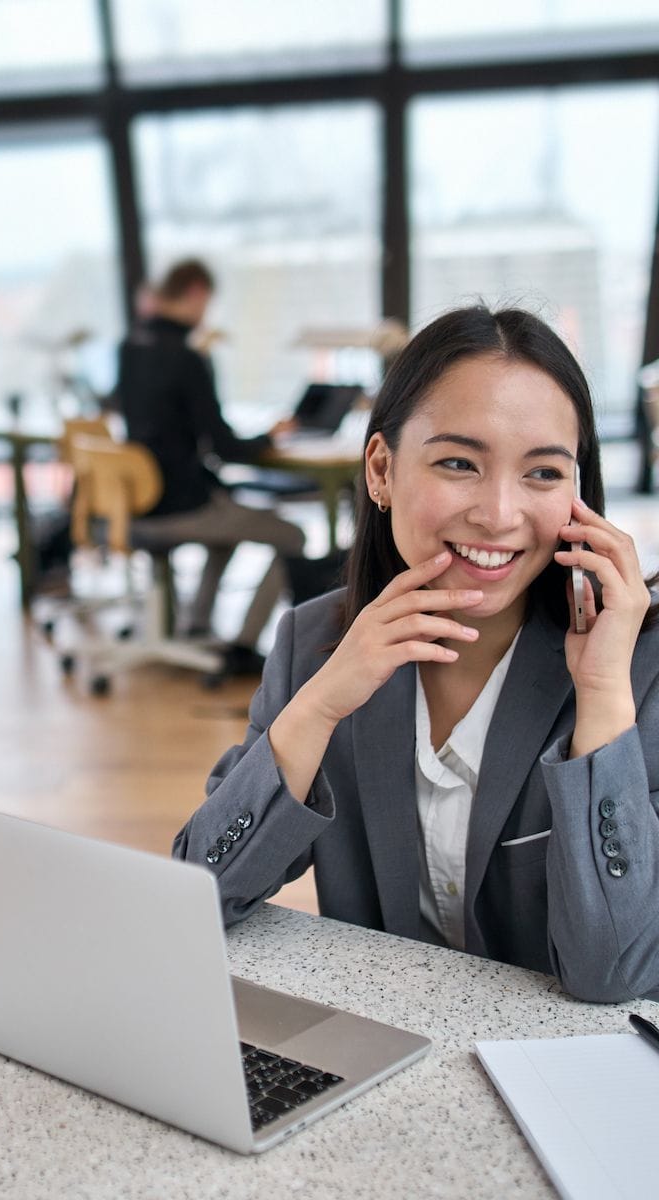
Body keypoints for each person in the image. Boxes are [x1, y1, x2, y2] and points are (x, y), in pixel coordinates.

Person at [174, 304, 659, 1004]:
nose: (498, 513)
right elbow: (199, 895)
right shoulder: (315, 646)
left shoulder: (637, 668)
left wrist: (604, 696)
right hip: (385, 1064)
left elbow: (617, 971)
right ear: (380, 469)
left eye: (544, 474)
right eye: (460, 462)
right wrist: (320, 703)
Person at [115, 259, 306, 676]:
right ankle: (243, 647)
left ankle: (196, 624)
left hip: (135, 506)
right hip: (181, 508)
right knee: (291, 534)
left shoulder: (130, 347)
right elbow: (226, 449)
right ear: (198, 293)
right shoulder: (189, 357)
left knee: (230, 519)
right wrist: (273, 434)